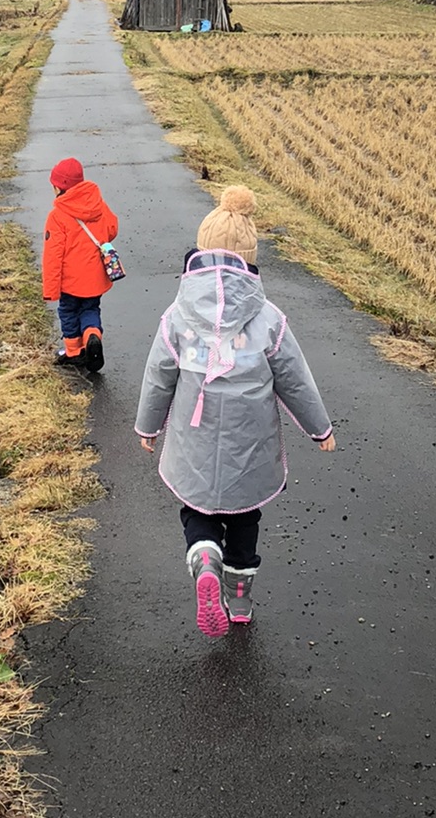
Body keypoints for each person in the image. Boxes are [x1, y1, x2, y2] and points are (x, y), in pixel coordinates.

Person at [135, 186, 335, 635]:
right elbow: (294, 378)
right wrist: (319, 429)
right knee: (246, 517)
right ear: (250, 260)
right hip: (252, 445)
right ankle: (239, 601)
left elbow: (159, 374)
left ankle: (205, 555)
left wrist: (148, 426)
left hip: (194, 439)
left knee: (198, 509)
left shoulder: (178, 315)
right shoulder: (267, 317)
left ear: (200, 253)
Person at [41, 156, 119, 374]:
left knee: (68, 311)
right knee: (90, 308)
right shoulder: (97, 203)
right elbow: (112, 229)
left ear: (58, 187)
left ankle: (74, 351)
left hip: (70, 281)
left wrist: (50, 289)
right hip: (94, 277)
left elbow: (53, 256)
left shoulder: (57, 216)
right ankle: (92, 334)